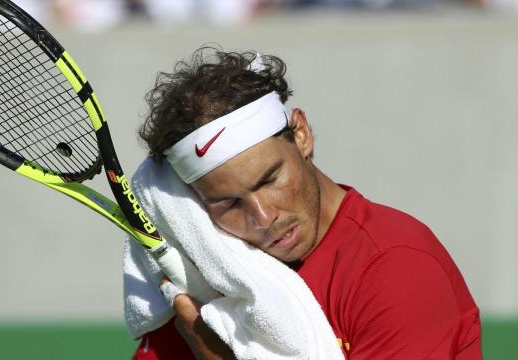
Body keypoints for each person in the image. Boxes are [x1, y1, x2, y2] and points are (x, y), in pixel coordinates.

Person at [131, 47, 481, 359]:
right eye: (227, 203)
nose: (263, 217)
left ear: (302, 135)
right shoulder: (217, 277)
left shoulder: (397, 266)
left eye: (270, 180)